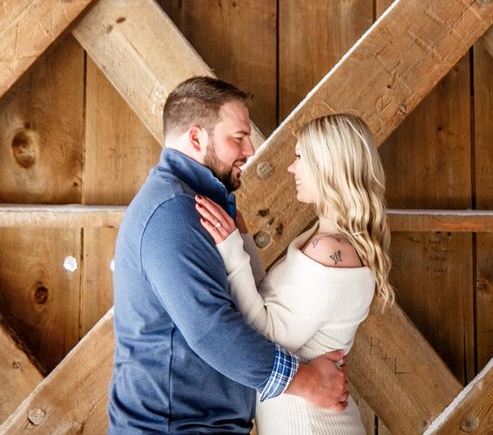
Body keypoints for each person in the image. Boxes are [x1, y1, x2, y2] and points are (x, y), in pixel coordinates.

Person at [109, 76, 349, 434]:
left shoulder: (195, 204)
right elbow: (209, 328)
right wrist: (308, 382)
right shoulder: (174, 212)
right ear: (196, 138)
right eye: (238, 138)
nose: (251, 150)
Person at [194, 113, 394, 434]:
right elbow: (270, 302)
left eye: (300, 157)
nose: (292, 168)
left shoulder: (329, 251)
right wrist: (242, 241)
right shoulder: (327, 240)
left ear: (327, 164)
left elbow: (267, 336)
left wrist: (230, 249)